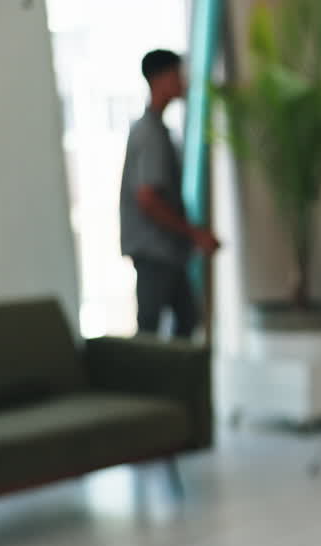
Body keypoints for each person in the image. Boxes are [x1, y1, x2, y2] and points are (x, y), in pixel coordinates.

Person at [119, 49, 217, 339]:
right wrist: (193, 233)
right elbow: (147, 198)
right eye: (178, 75)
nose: (183, 82)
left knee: (186, 324)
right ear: (160, 80)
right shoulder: (149, 133)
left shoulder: (158, 131)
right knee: (150, 332)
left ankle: (178, 384)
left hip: (168, 253)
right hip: (155, 252)